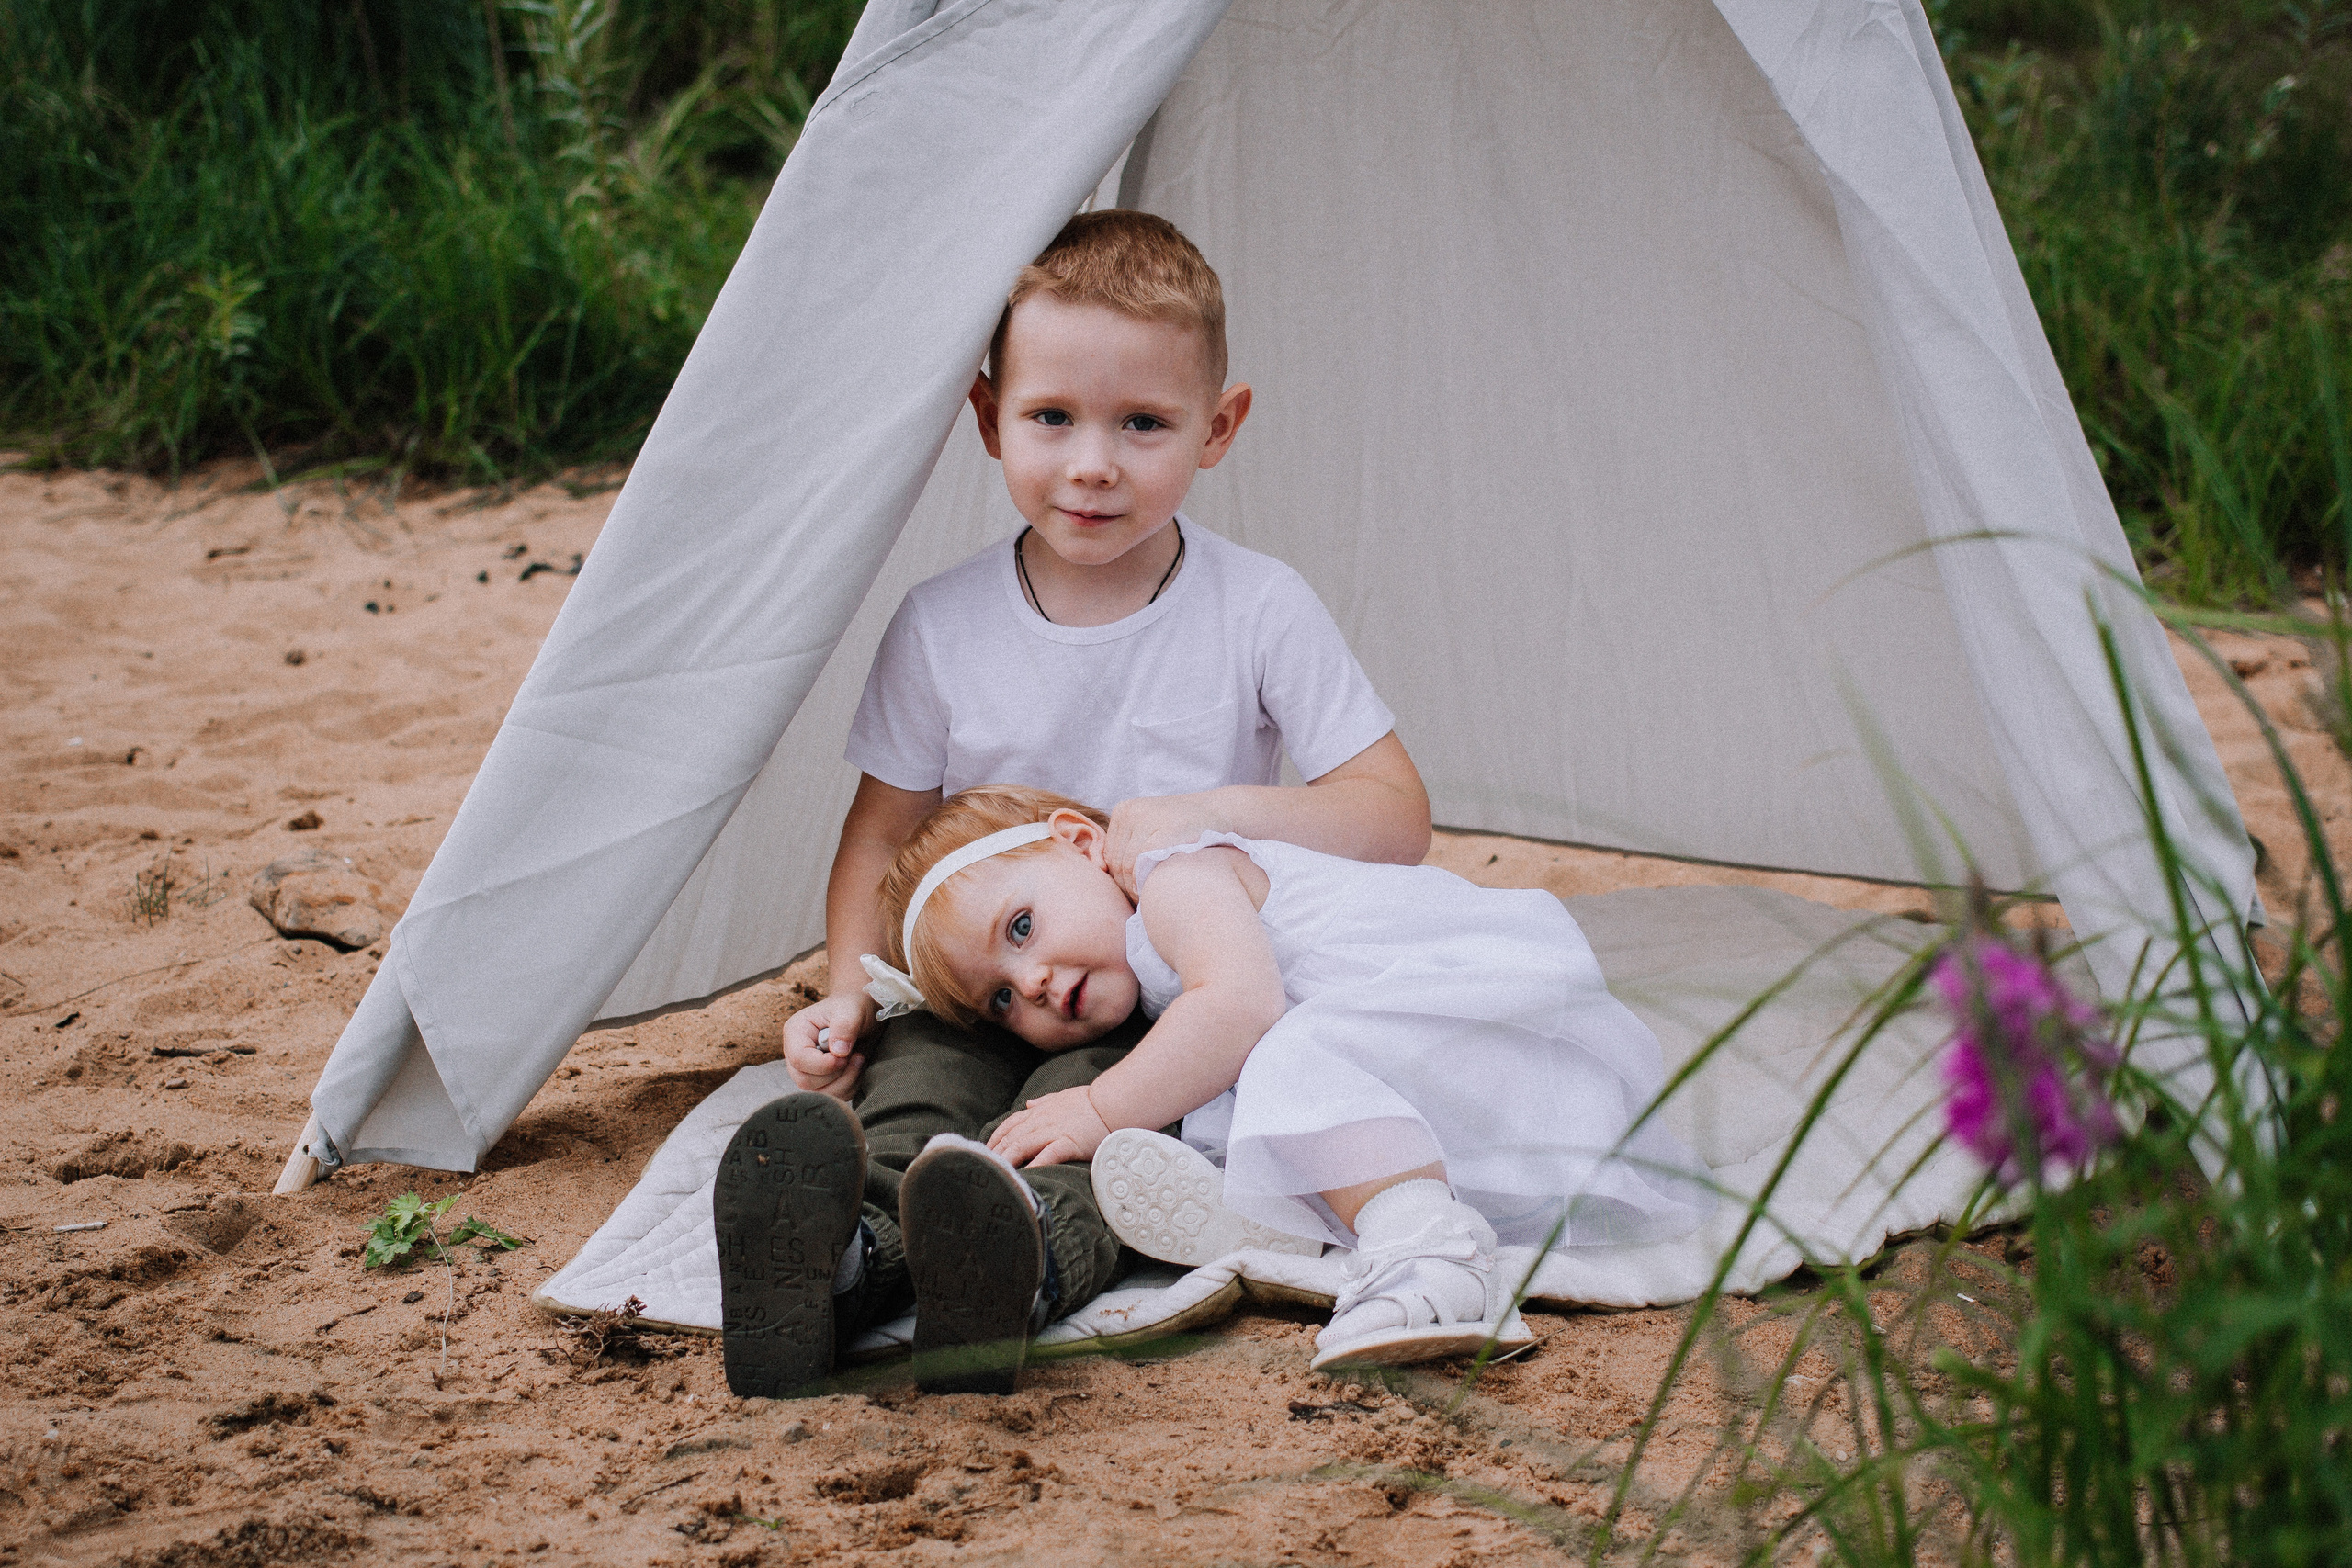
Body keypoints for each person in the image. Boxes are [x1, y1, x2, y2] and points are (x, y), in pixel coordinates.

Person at [718, 210, 1431, 1399]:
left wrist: (1201, 811)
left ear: (1219, 427)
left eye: (1142, 423)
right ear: (990, 416)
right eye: (1052, 417)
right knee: (919, 1096)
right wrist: (849, 989)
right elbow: (881, 838)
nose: (1092, 462)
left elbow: (1395, 812)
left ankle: (1011, 1267)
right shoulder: (943, 624)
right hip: (985, 970)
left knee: (1093, 1134)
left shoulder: (1258, 607)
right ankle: (837, 1262)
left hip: (1170, 994)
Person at [865, 785, 1713, 1371]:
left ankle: (1436, 1257)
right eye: (1004, 998)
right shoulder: (1151, 965)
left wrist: (1099, 1104)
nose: (1038, 982)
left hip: (1496, 1038)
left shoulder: (1174, 873)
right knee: (1231, 1102)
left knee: (1268, 1051)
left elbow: (1240, 1004)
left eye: (1023, 926)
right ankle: (1310, 1219)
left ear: (1084, 845)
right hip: (1458, 1094)